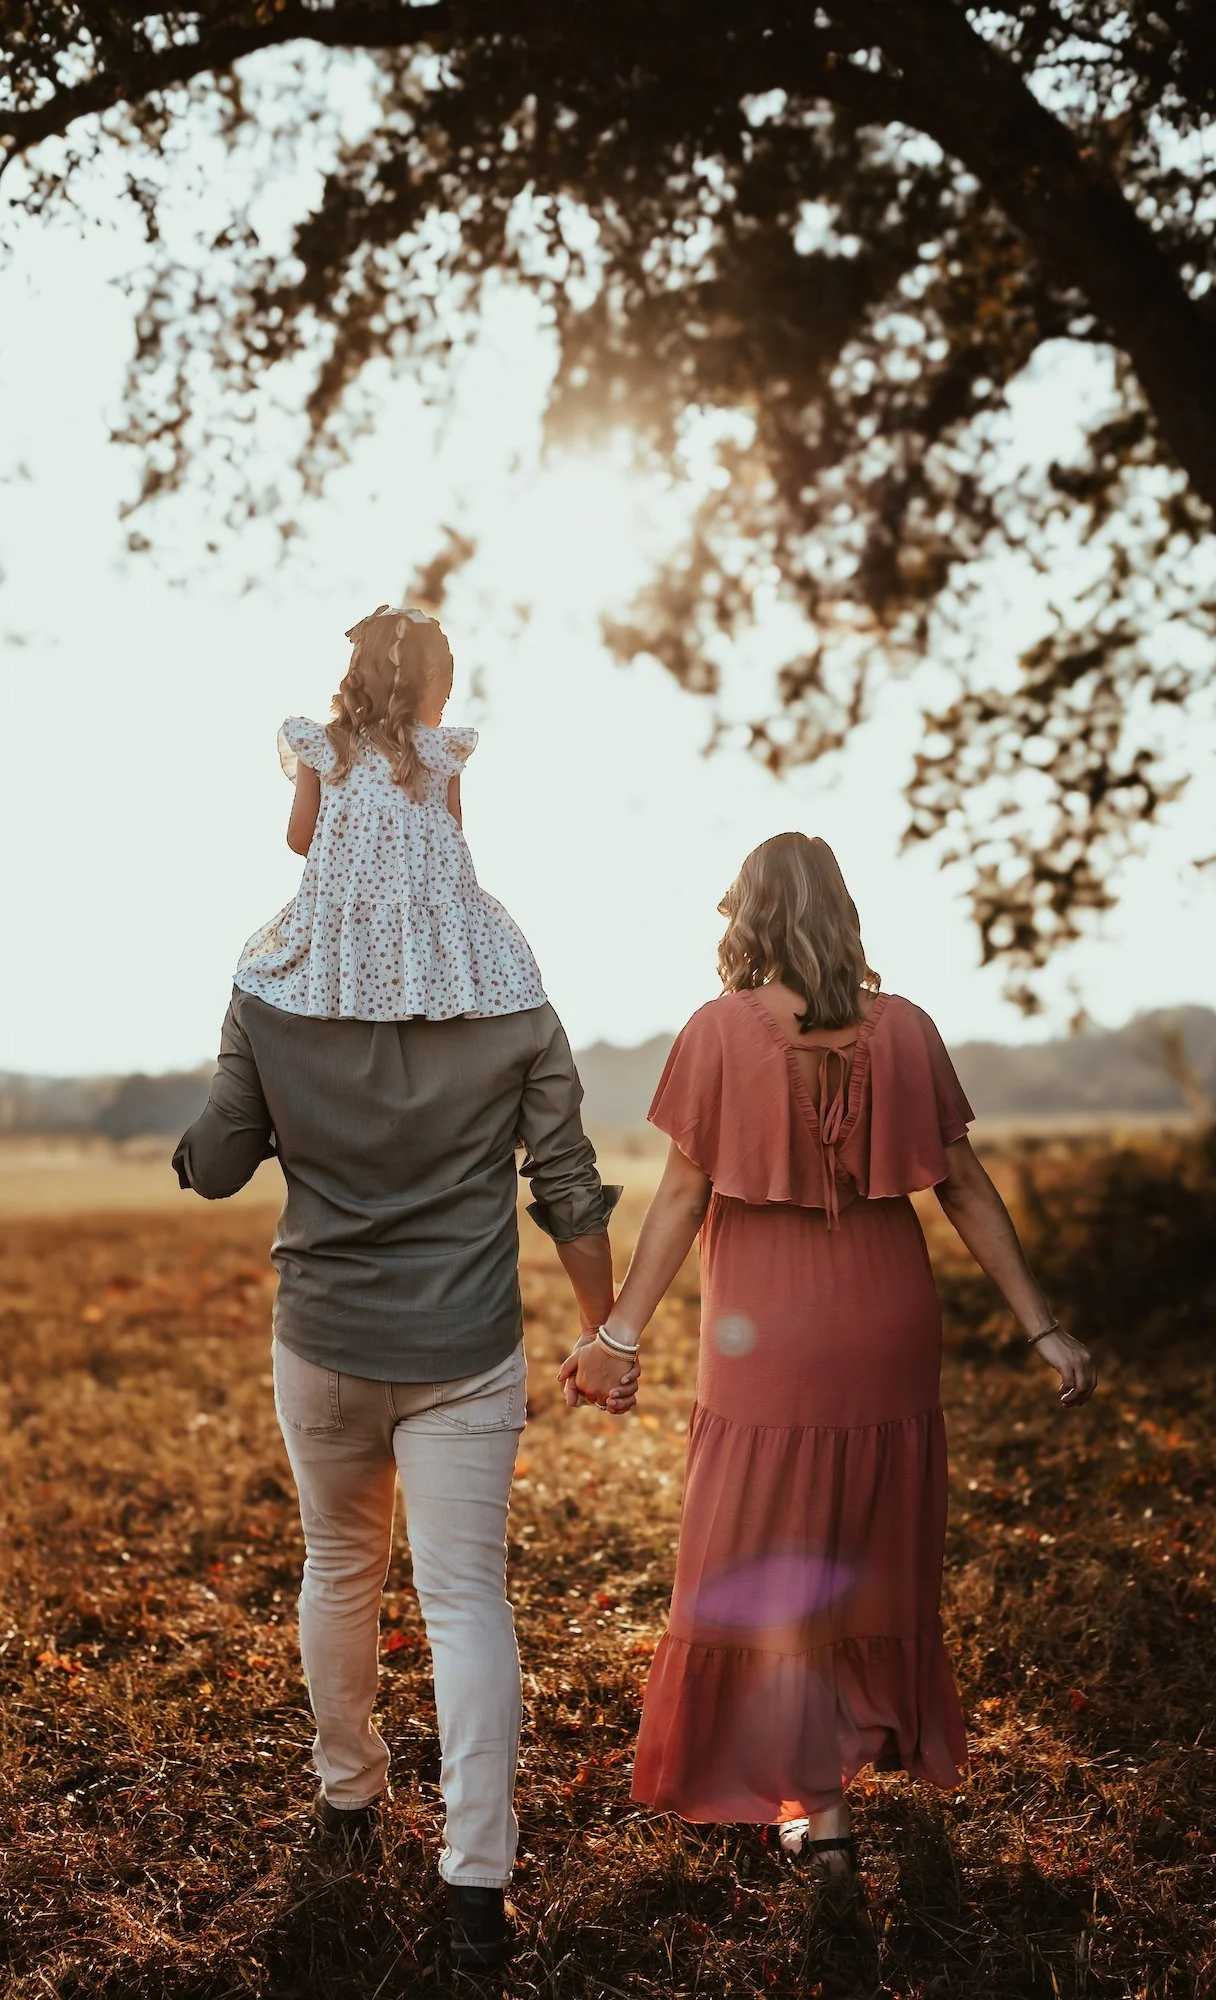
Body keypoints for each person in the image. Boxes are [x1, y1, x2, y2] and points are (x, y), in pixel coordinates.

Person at [175, 606, 630, 1973]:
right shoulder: (510, 993)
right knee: (467, 1604)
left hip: (321, 1339)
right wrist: (606, 1321)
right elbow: (568, 1183)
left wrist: (213, 1121)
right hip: (467, 1346)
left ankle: (348, 1792)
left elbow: (213, 1165)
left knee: (337, 1567)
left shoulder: (272, 989)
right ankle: (476, 1884)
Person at [561, 832, 1097, 1880]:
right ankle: (843, 1760)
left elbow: (680, 1195)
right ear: (842, 913)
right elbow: (966, 1190)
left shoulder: (717, 1030)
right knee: (864, 1548)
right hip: (889, 1322)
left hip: (770, 1338)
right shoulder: (906, 1028)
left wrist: (615, 1333)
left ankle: (825, 1813)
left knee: (774, 1562)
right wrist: (1042, 1324)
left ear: (744, 916)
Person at [234, 603, 545, 1022]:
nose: (444, 709)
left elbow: (298, 838)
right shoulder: (440, 754)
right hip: (426, 926)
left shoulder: (325, 748)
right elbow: (452, 838)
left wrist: (354, 858)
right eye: (446, 695)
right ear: (432, 680)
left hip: (345, 921)